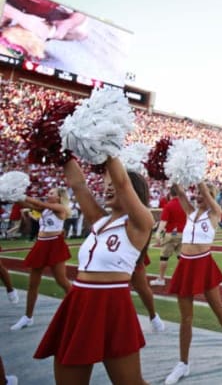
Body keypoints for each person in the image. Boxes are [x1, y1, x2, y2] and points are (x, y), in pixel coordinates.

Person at [33, 157, 154, 385]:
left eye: (113, 184)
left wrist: (106, 148)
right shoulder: (98, 220)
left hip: (112, 305)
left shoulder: (141, 223)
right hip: (79, 301)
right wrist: (63, 151)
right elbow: (78, 184)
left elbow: (123, 183)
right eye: (105, 183)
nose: (108, 187)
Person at [163, 182, 222, 384]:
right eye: (196, 193)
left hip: (204, 264)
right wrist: (176, 168)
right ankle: (183, 364)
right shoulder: (190, 212)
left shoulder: (214, 213)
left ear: (209, 196)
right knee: (186, 318)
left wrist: (199, 179)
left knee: (216, 305)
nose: (198, 196)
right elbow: (179, 191)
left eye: (201, 194)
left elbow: (207, 195)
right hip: (186, 265)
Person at [10, 187, 72, 331]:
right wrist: (13, 195)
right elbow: (26, 205)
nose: (47, 194)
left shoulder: (59, 208)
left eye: (51, 193)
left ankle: (82, 305)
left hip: (55, 244)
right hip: (41, 244)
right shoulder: (46, 209)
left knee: (61, 281)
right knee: (33, 283)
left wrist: (22, 194)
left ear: (59, 197)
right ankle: (28, 317)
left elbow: (40, 204)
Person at [151, 185, 186, 286]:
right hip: (183, 234)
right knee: (182, 258)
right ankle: (184, 279)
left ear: (170, 194)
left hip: (171, 233)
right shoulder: (185, 205)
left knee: (164, 258)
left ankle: (161, 278)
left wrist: (158, 233)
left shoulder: (169, 205)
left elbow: (163, 223)